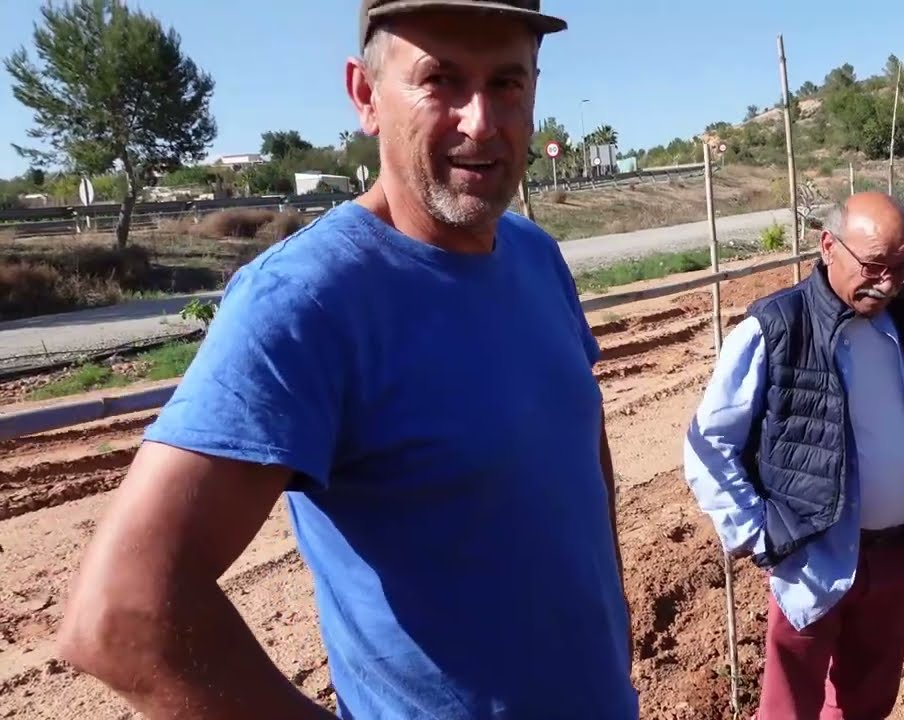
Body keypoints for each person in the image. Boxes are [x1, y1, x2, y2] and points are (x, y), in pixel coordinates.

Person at [54, 2, 637, 719]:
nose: (481, 121)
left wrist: (616, 636)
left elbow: (582, 447)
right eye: (441, 80)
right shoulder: (307, 302)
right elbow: (119, 617)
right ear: (366, 95)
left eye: (507, 84)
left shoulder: (536, 258)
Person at [682, 191, 904, 720]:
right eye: (874, 266)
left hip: (895, 554)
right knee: (791, 704)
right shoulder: (775, 326)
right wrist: (756, 532)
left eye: (901, 267)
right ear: (827, 247)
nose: (887, 283)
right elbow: (709, 445)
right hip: (813, 555)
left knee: (867, 700)